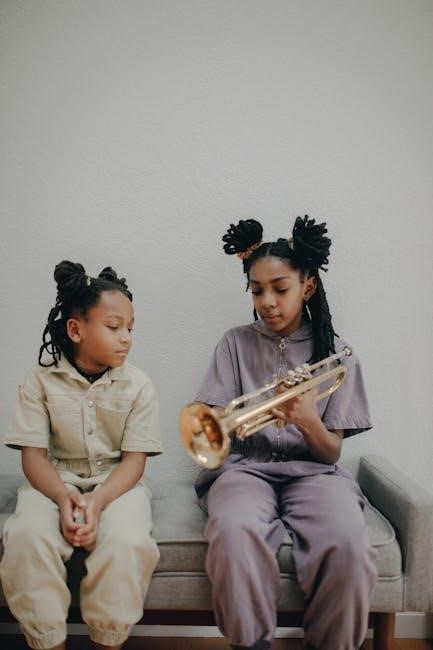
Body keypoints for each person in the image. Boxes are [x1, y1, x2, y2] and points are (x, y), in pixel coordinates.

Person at [192, 217, 377, 650]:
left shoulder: (338, 355)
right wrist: (220, 424)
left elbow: (330, 453)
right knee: (233, 531)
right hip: (243, 469)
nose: (267, 302)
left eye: (280, 288)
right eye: (257, 291)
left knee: (348, 542)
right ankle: (251, 642)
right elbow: (213, 422)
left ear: (307, 287)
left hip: (315, 473)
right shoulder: (234, 343)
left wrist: (307, 419)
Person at [0, 261, 163, 650]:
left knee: (126, 541)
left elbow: (134, 462)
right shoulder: (38, 380)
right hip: (53, 479)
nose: (126, 338)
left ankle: (108, 640)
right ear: (76, 330)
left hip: (118, 483)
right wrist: (62, 497)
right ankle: (47, 642)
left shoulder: (139, 385)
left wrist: (98, 500)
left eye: (130, 328)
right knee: (26, 535)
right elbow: (33, 457)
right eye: (114, 327)